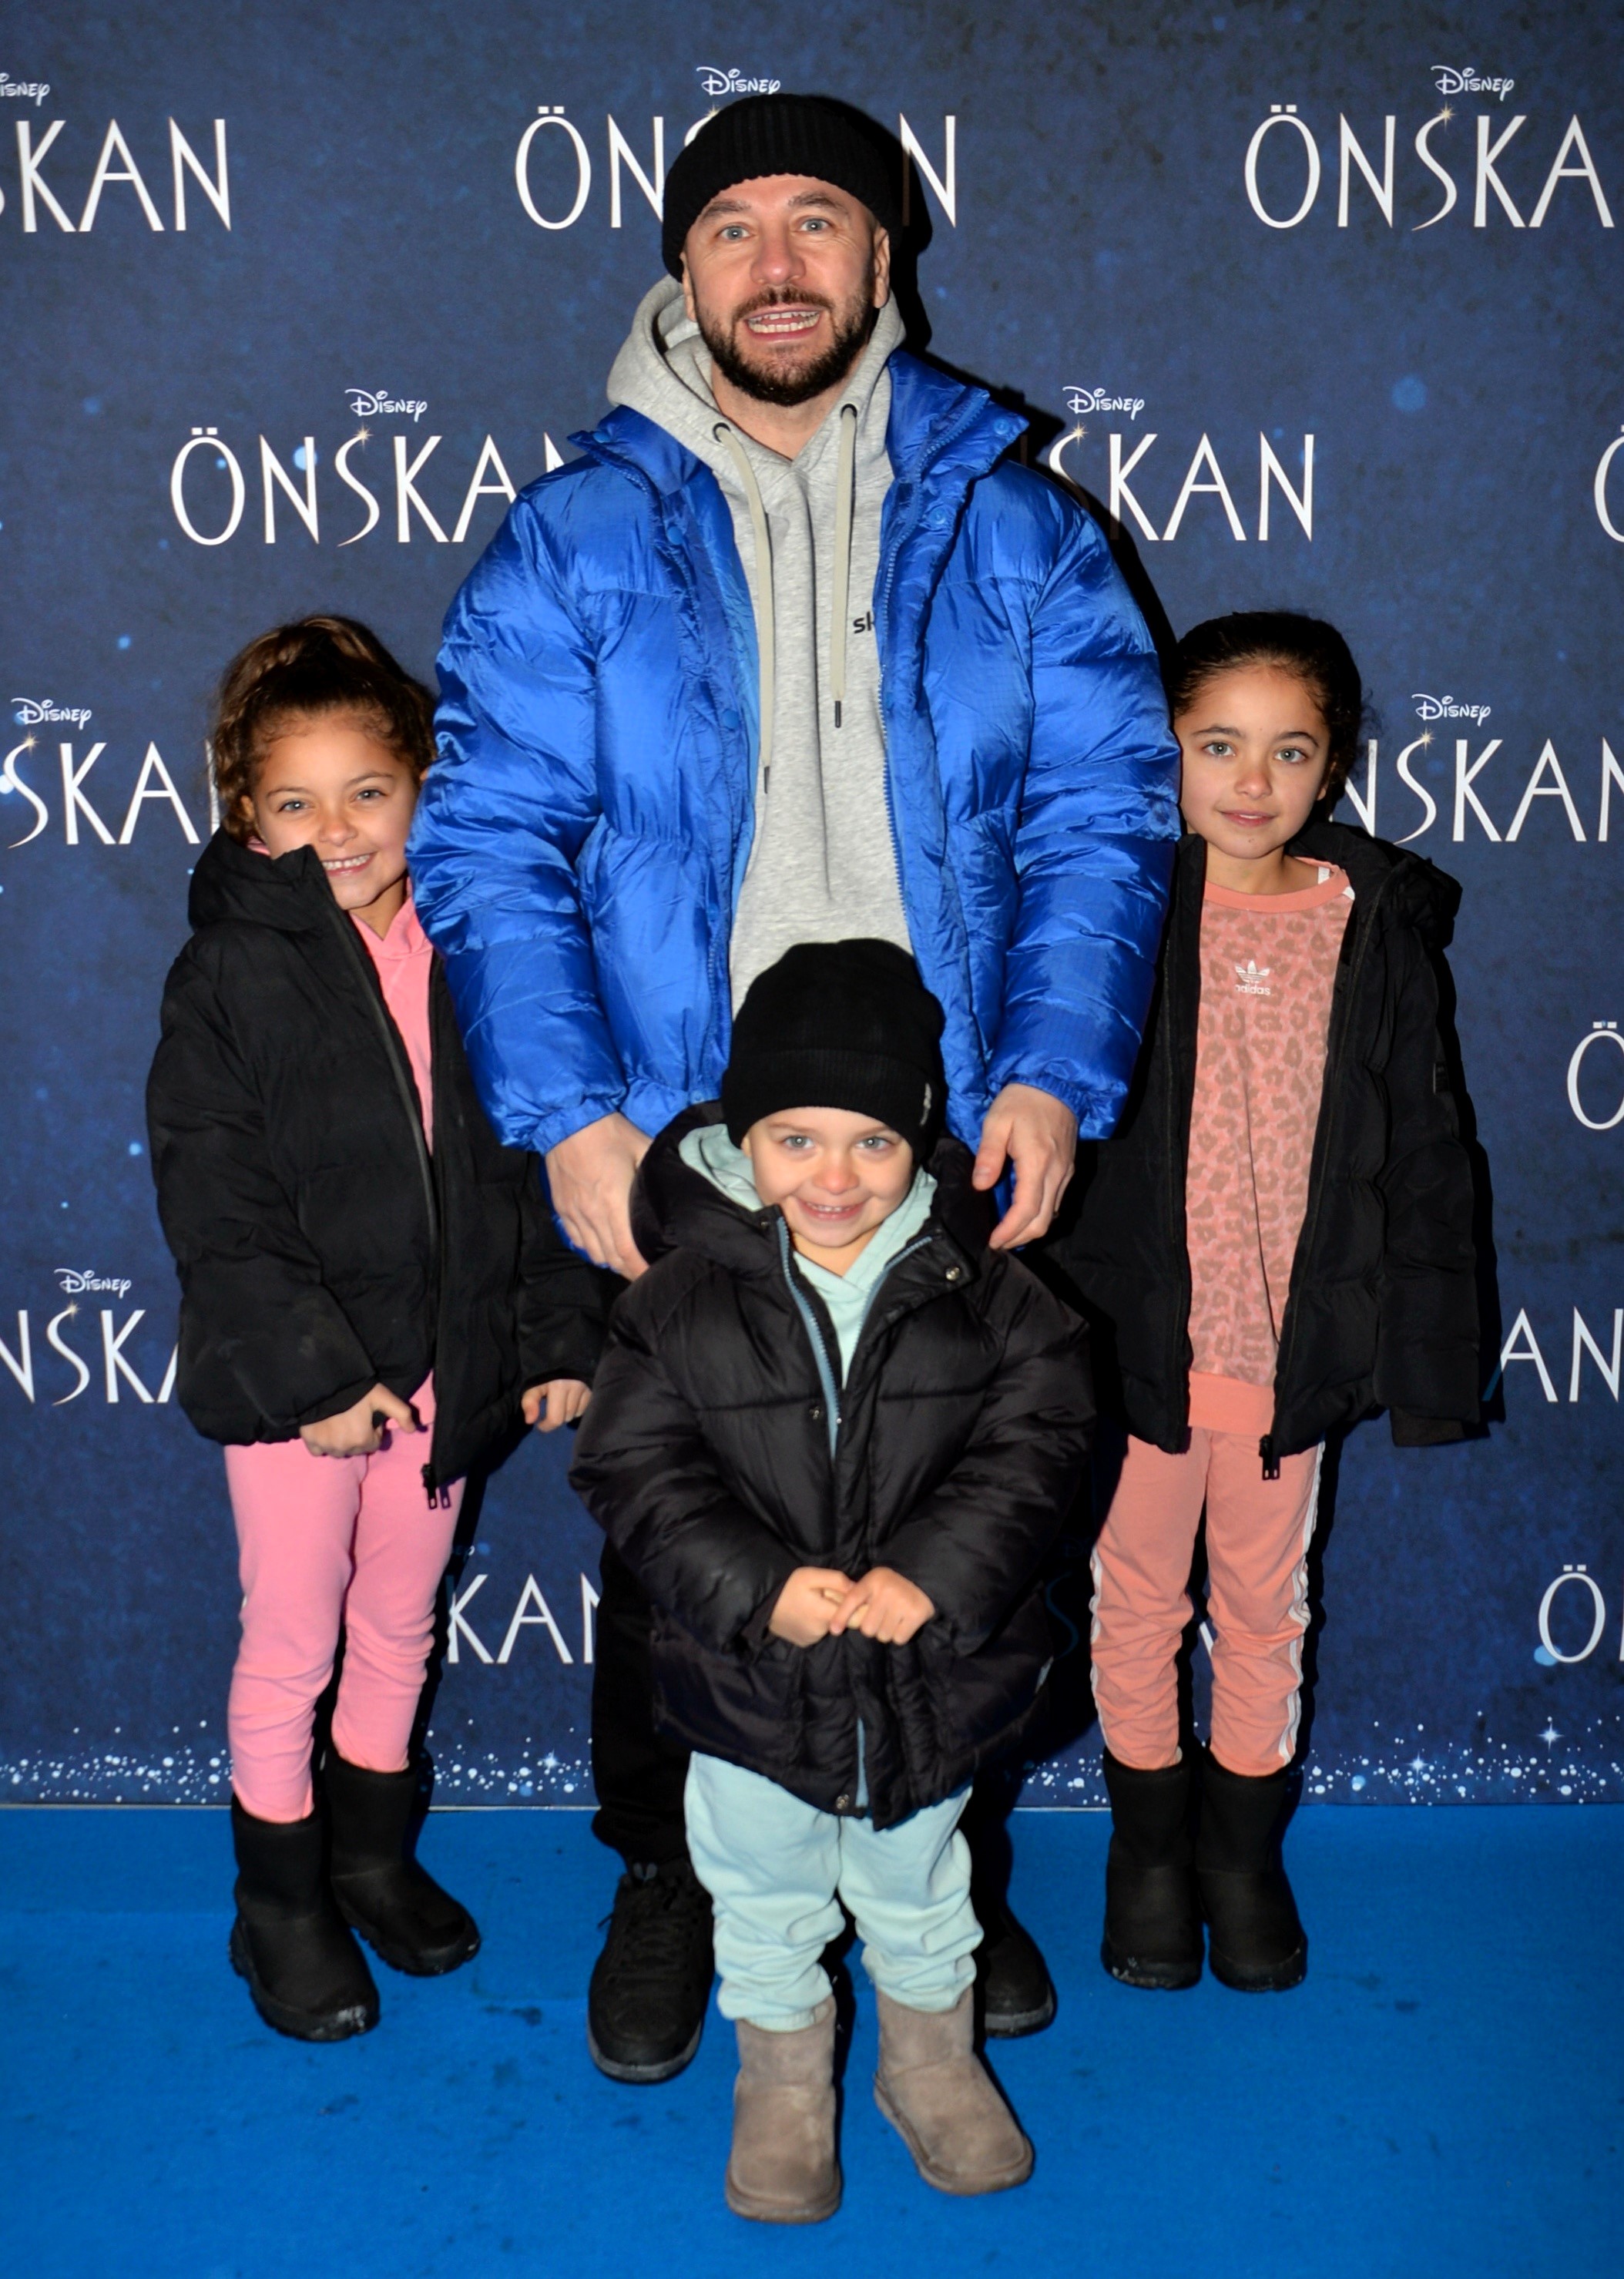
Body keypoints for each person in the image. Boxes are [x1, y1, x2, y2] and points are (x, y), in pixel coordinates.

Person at [410, 90, 1180, 2076]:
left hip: (942, 1124)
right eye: (733, 225)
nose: (775, 262)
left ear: (882, 257)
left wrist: (1050, 1072)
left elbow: (1103, 817)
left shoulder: (1015, 524)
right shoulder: (573, 534)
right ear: (680, 265)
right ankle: (670, 1878)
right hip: (681, 1132)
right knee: (684, 1524)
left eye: (816, 219)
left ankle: (938, 1877)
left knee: (953, 1498)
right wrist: (572, 1112)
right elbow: (486, 836)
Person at [570, 940, 1092, 2222]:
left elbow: (1044, 1437)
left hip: (928, 1682)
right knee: (760, 1893)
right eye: (796, 1139)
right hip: (753, 1688)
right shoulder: (675, 1299)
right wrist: (756, 1588)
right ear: (741, 1138)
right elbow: (632, 1464)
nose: (837, 1177)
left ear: (923, 1138)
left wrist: (936, 1573)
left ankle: (930, 2062)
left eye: (873, 1141)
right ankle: (783, 2081)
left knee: (925, 1884)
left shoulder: (986, 1288)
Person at [147, 616, 610, 2042]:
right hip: (302, 1393)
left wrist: (554, 1332)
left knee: (400, 1620)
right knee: (294, 1635)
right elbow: (219, 1205)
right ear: (247, 812)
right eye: (298, 802)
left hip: (444, 1370)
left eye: (368, 792)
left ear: (422, 788)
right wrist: (318, 1375)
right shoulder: (227, 974)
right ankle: (280, 1899)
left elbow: (525, 1162)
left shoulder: (470, 948)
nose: (339, 829)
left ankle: (370, 1856)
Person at [1067, 612, 1479, 1995]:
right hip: (1138, 1347)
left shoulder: (1374, 926)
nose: (1252, 781)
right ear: (1165, 750)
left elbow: (1425, 1150)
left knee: (1263, 1606)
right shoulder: (1115, 906)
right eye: (1218, 745)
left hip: (1282, 1354)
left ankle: (1242, 1855)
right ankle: (1146, 1850)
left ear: (1334, 765)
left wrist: (1428, 1355)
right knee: (1135, 1600)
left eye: (1290, 751)